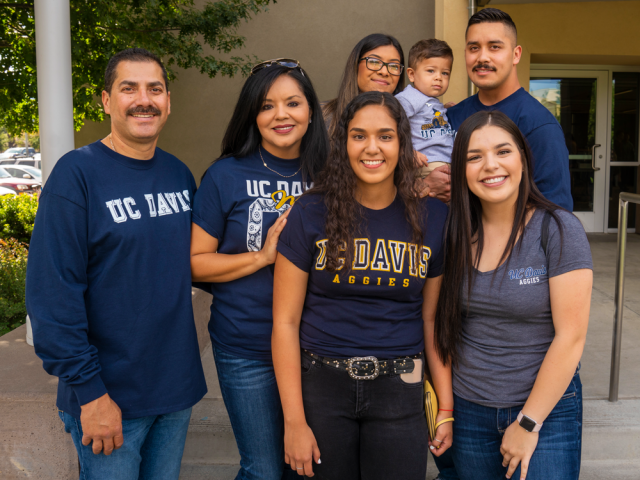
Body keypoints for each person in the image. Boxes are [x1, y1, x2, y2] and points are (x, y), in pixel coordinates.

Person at [26, 48, 207, 479]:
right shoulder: (76, 176)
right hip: (110, 400)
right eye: (129, 88)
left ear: (167, 101)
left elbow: (198, 264)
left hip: (175, 391)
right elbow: (53, 297)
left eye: (155, 89)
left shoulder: (179, 175)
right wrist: (90, 394)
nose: (143, 99)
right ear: (107, 100)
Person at [272, 91, 453, 479]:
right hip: (321, 386)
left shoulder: (433, 218)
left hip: (400, 390)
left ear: (402, 144)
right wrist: (293, 421)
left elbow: (431, 320)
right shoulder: (310, 212)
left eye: (386, 136)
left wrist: (446, 409)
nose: (372, 148)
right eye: (359, 136)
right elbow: (284, 323)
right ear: (344, 144)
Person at [190, 59, 329, 480]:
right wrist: (263, 256)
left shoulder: (333, 174)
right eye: (267, 106)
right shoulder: (225, 175)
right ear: (253, 113)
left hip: (320, 350)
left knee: (312, 467)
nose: (281, 115)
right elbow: (195, 262)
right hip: (246, 347)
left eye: (293, 103)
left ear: (310, 110)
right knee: (265, 470)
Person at [436, 110, 592, 480]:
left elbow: (572, 337)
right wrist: (446, 410)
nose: (490, 165)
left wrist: (527, 423)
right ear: (461, 169)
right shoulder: (454, 234)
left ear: (522, 158)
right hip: (470, 408)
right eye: (474, 157)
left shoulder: (557, 229)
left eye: (503, 151)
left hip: (546, 410)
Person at [446, 8, 573, 211]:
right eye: (474, 48)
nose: (482, 57)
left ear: (516, 55)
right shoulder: (451, 116)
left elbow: (555, 212)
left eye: (494, 47)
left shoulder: (538, 124)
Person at [322, 33, 405, 137]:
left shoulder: (415, 120)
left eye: (394, 66)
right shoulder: (322, 115)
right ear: (355, 65)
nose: (384, 72)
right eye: (374, 62)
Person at [396, 39, 455, 179]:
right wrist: (407, 152)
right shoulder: (408, 98)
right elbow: (390, 126)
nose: (438, 78)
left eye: (445, 73)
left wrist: (442, 109)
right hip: (426, 164)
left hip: (444, 163)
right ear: (411, 74)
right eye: (431, 71)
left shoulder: (429, 100)